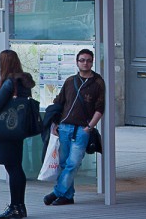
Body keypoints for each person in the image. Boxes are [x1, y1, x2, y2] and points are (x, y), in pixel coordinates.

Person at [43, 48, 105, 206]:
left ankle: (57, 192)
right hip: (65, 127)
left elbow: (100, 107)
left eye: (89, 60)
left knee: (73, 163)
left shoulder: (97, 82)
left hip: (82, 129)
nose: (85, 63)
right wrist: (56, 123)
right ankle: (67, 196)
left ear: (92, 62)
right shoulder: (70, 81)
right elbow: (59, 102)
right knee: (64, 163)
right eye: (82, 60)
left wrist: (90, 127)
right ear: (77, 62)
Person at [0, 50, 36, 219]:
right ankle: (20, 206)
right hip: (18, 130)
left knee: (12, 167)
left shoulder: (9, 83)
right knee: (17, 167)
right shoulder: (23, 82)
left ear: (4, 63)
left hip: (6, 130)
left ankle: (15, 206)